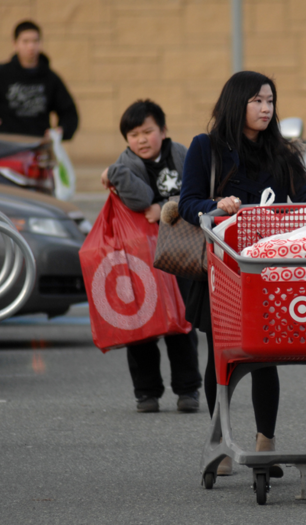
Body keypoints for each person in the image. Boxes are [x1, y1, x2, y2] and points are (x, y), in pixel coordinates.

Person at [178, 71, 306, 476]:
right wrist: (218, 204)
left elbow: (305, 196)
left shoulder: (283, 152)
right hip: (222, 266)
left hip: (269, 269)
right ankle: (220, 441)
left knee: (264, 354)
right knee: (222, 355)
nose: (266, 108)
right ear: (238, 104)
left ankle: (264, 444)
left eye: (270, 101)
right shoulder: (206, 148)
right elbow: (187, 203)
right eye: (257, 100)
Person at [101, 99, 202, 413]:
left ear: (163, 130)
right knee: (142, 323)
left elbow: (197, 192)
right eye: (133, 135)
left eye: (148, 131)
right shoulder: (126, 163)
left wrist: (166, 207)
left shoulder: (182, 154)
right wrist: (117, 173)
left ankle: (188, 390)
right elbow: (140, 200)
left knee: (182, 322)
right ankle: (146, 393)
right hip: (139, 256)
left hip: (180, 253)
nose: (142, 140)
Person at [0, 20, 78, 140]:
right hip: (5, 145)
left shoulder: (50, 78)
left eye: (35, 41)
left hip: (37, 146)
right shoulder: (0, 73)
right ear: (15, 44)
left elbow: (69, 113)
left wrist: (61, 130)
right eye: (25, 41)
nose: (31, 46)